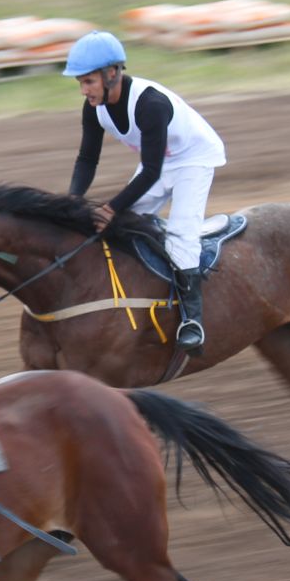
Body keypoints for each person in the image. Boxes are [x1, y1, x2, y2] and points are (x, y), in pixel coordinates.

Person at [61, 31, 227, 351]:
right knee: (122, 225)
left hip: (193, 160)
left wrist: (111, 206)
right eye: (80, 83)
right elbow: (86, 159)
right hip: (160, 161)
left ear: (112, 73)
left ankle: (193, 320)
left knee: (181, 234)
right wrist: (73, 200)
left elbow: (150, 172)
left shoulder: (151, 104)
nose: (84, 90)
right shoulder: (92, 108)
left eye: (89, 82)